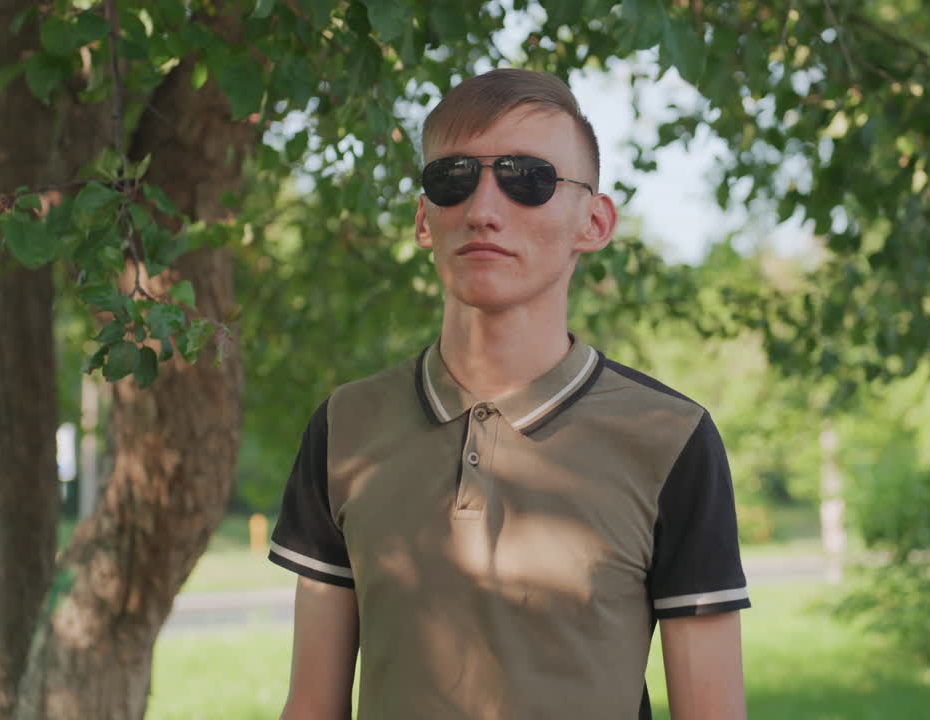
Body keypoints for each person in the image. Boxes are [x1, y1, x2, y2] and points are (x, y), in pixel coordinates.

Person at [269, 68, 750, 720]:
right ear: (423, 219)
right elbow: (311, 705)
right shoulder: (345, 427)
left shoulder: (670, 437)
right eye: (454, 179)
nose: (482, 211)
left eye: (528, 179)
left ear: (594, 221)